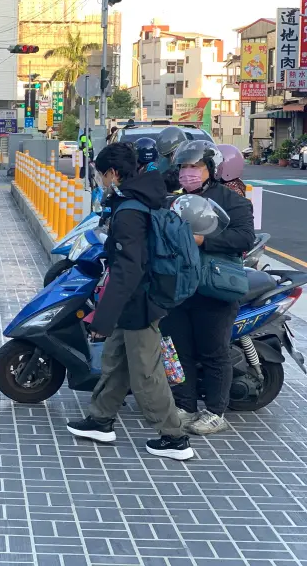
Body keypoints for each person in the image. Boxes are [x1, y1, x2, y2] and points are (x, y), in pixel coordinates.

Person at [66, 142, 194, 461]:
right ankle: (100, 420)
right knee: (115, 360)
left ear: (112, 173)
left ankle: (174, 438)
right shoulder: (141, 194)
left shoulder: (130, 211)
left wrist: (103, 318)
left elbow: (127, 270)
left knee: (145, 373)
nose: (100, 180)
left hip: (139, 302)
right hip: (135, 299)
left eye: (100, 174)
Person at [162, 141, 255, 435]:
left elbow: (243, 239)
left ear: (211, 170)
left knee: (214, 352)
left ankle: (215, 411)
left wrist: (204, 241)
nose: (188, 173)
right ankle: (185, 406)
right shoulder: (174, 202)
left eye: (195, 167)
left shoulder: (232, 201)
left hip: (214, 288)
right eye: (184, 167)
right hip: (179, 287)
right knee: (178, 351)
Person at [155, 126, 189, 193]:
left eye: (173, 153)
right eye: (167, 155)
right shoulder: (163, 163)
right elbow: (156, 178)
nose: (171, 158)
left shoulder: (195, 161)